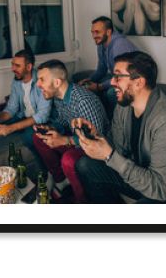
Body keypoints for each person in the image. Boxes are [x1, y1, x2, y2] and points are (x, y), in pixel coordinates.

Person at [75, 51, 166, 203]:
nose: (112, 82)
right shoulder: (124, 105)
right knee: (84, 165)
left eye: (118, 77)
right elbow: (116, 146)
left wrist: (109, 156)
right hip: (134, 173)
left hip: (161, 188)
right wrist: (96, 135)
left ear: (139, 82)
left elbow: (160, 188)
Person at [33, 59, 109, 203]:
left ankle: (82, 200)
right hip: (75, 138)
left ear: (57, 82)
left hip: (96, 147)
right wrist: (51, 128)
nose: (38, 84)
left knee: (68, 159)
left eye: (42, 80)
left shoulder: (83, 100)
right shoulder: (58, 97)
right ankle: (61, 180)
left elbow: (95, 140)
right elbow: (63, 121)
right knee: (39, 138)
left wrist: (64, 140)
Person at [0, 49, 51, 172]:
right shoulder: (17, 81)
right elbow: (12, 108)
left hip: (38, 124)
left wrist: (10, 128)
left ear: (29, 66)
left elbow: (42, 115)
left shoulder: (41, 80)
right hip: (22, 117)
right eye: (12, 64)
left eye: (17, 65)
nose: (12, 69)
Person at [78, 16, 137, 115]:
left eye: (97, 32)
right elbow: (101, 70)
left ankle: (118, 118)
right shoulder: (101, 44)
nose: (94, 36)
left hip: (131, 78)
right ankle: (100, 116)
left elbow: (122, 76)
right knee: (83, 83)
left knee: (110, 92)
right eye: (92, 32)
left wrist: (99, 86)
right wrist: (89, 80)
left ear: (108, 32)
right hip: (119, 77)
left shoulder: (119, 45)